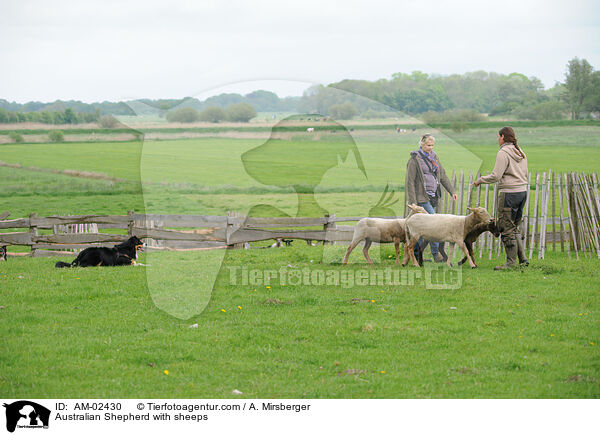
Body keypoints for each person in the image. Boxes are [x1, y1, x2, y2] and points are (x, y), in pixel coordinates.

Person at [474, 126, 529, 270]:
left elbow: (496, 176)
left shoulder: (503, 153)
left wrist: (480, 180)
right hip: (522, 192)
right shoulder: (520, 151)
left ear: (502, 137)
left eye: (498, 137)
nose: (498, 139)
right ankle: (523, 259)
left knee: (506, 227)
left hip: (509, 193)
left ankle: (511, 263)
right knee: (514, 226)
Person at [406, 133, 457, 262]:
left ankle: (417, 255)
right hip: (421, 198)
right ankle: (436, 254)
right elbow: (410, 181)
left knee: (423, 229)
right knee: (434, 224)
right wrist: (413, 202)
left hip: (433, 195)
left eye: (432, 145)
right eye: (428, 145)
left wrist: (451, 191)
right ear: (422, 144)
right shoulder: (415, 159)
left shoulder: (434, 157)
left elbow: (443, 175)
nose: (431, 148)